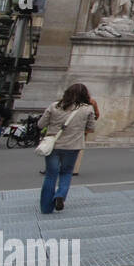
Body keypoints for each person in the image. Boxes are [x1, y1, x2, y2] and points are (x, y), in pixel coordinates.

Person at [36, 84, 96, 214]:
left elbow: (40, 124)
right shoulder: (88, 109)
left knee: (50, 175)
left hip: (53, 145)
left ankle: (46, 208)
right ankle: (60, 195)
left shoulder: (54, 106)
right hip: (73, 146)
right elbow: (91, 128)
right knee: (66, 172)